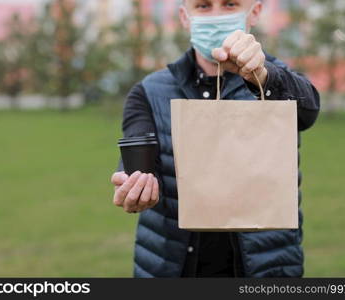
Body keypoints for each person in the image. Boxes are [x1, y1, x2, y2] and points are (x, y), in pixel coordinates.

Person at [110, 0, 320, 278]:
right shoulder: (148, 91)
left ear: (254, 12)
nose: (216, 15)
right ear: (185, 17)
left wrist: (263, 76)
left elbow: (308, 111)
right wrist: (136, 180)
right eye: (204, 6)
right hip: (173, 266)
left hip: (263, 267)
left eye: (230, 4)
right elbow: (138, 152)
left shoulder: (274, 79)